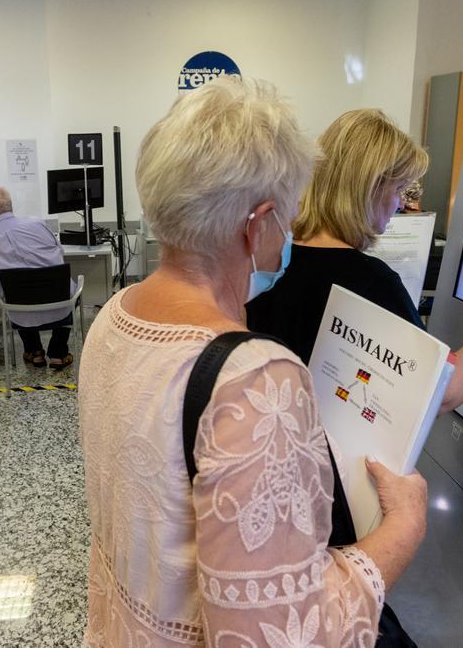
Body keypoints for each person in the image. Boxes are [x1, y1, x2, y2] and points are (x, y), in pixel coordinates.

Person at [78, 78, 428, 646]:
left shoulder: (114, 318)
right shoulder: (255, 378)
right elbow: (284, 633)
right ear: (257, 223)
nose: (289, 233)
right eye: (287, 218)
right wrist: (404, 529)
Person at [246, 109, 463, 413]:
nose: (401, 204)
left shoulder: (270, 257)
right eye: (398, 190)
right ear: (370, 190)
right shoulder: (371, 280)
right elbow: (443, 391)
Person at [0, 186, 76, 369]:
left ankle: (34, 351)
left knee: (11, 292)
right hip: (60, 305)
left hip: (19, 312)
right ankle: (59, 353)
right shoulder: (39, 224)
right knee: (70, 286)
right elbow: (60, 254)